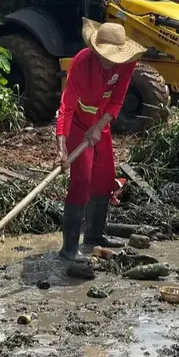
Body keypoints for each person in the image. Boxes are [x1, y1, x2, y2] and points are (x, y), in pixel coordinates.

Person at [55, 18, 146, 262]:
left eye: (114, 57)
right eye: (105, 56)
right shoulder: (81, 63)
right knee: (82, 180)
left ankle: (94, 236)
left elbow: (117, 101)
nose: (109, 62)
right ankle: (69, 248)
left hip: (99, 125)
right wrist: (61, 148)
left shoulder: (127, 64)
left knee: (104, 180)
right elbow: (67, 107)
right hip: (77, 125)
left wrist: (98, 127)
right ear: (96, 50)